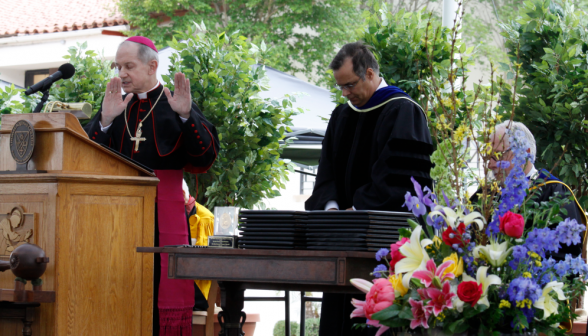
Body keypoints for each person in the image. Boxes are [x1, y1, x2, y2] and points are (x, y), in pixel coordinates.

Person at [84, 36, 220, 336]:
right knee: (120, 284)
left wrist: (185, 116)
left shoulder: (175, 104)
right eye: (118, 66)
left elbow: (205, 156)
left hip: (165, 212)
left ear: (152, 66)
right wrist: (105, 120)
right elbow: (85, 158)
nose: (121, 73)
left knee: (160, 286)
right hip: (118, 214)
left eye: (129, 66)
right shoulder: (115, 105)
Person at [305, 42, 433, 336]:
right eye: (341, 87)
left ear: (371, 73)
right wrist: (332, 207)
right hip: (341, 239)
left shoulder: (403, 111)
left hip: (381, 243)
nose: (346, 93)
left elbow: (400, 180)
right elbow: (326, 171)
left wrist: (356, 208)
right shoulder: (342, 115)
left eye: (350, 85)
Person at [486, 121, 586, 260]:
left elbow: (565, 254)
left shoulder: (555, 192)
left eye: (497, 155)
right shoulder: (488, 193)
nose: (490, 164)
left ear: (524, 152)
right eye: (488, 157)